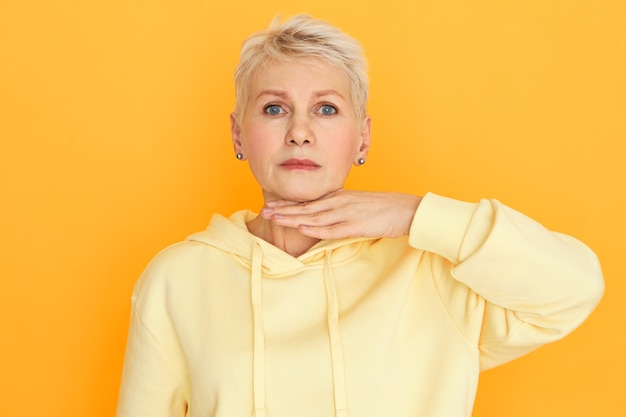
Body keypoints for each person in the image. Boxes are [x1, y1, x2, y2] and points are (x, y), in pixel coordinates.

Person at [116, 14, 604, 417]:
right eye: (273, 109)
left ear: (363, 138)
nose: (300, 132)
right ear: (238, 134)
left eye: (326, 109)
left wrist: (414, 214)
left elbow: (573, 288)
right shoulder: (176, 279)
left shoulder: (428, 267)